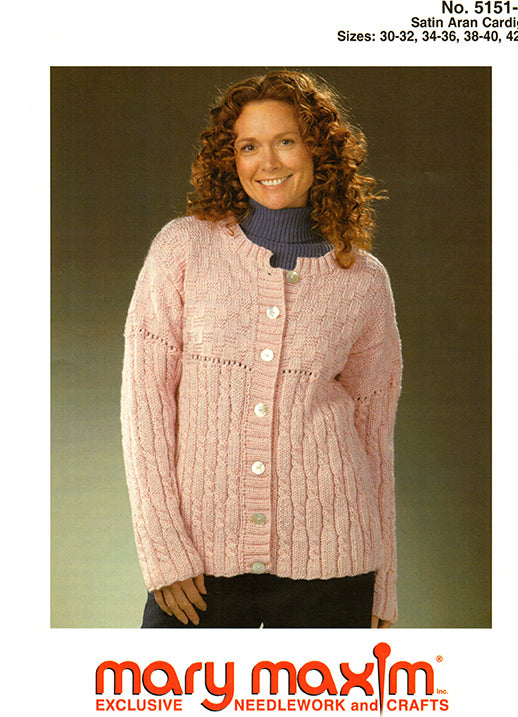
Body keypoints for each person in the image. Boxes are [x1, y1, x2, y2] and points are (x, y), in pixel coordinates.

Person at [121, 70, 402, 629]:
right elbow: (144, 409)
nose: (267, 162)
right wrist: (163, 551)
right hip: (198, 566)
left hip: (334, 563)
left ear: (318, 150)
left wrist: (384, 584)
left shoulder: (364, 280)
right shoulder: (183, 248)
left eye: (286, 141)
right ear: (231, 158)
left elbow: (375, 437)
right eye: (249, 146)